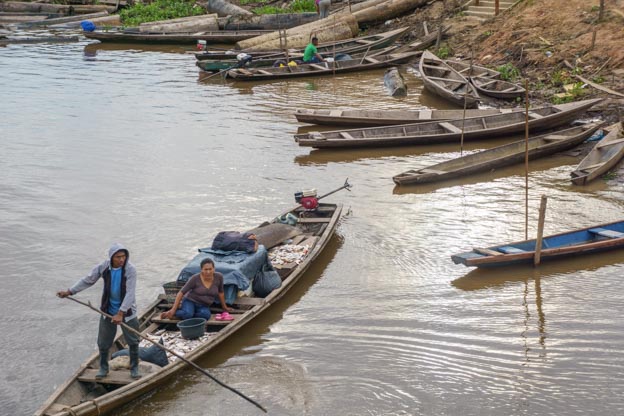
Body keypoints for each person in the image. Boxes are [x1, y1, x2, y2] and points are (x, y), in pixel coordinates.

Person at [57, 243, 141, 380]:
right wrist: (70, 291)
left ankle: (134, 366)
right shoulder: (104, 267)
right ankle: (103, 367)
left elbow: (130, 293)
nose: (121, 260)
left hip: (127, 312)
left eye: (124, 257)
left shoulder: (130, 270)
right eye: (118, 257)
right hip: (108, 311)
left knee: (133, 340)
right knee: (103, 342)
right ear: (111, 257)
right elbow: (88, 280)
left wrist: (121, 313)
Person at [161, 258, 231, 321]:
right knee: (188, 314)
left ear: (214, 269)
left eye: (210, 269)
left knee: (206, 316)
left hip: (204, 305)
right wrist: (173, 309)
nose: (208, 272)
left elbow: (221, 292)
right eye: (206, 269)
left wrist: (224, 307)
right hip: (190, 301)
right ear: (201, 270)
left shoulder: (219, 277)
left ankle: (182, 315)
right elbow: (181, 292)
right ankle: (173, 313)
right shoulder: (195, 278)